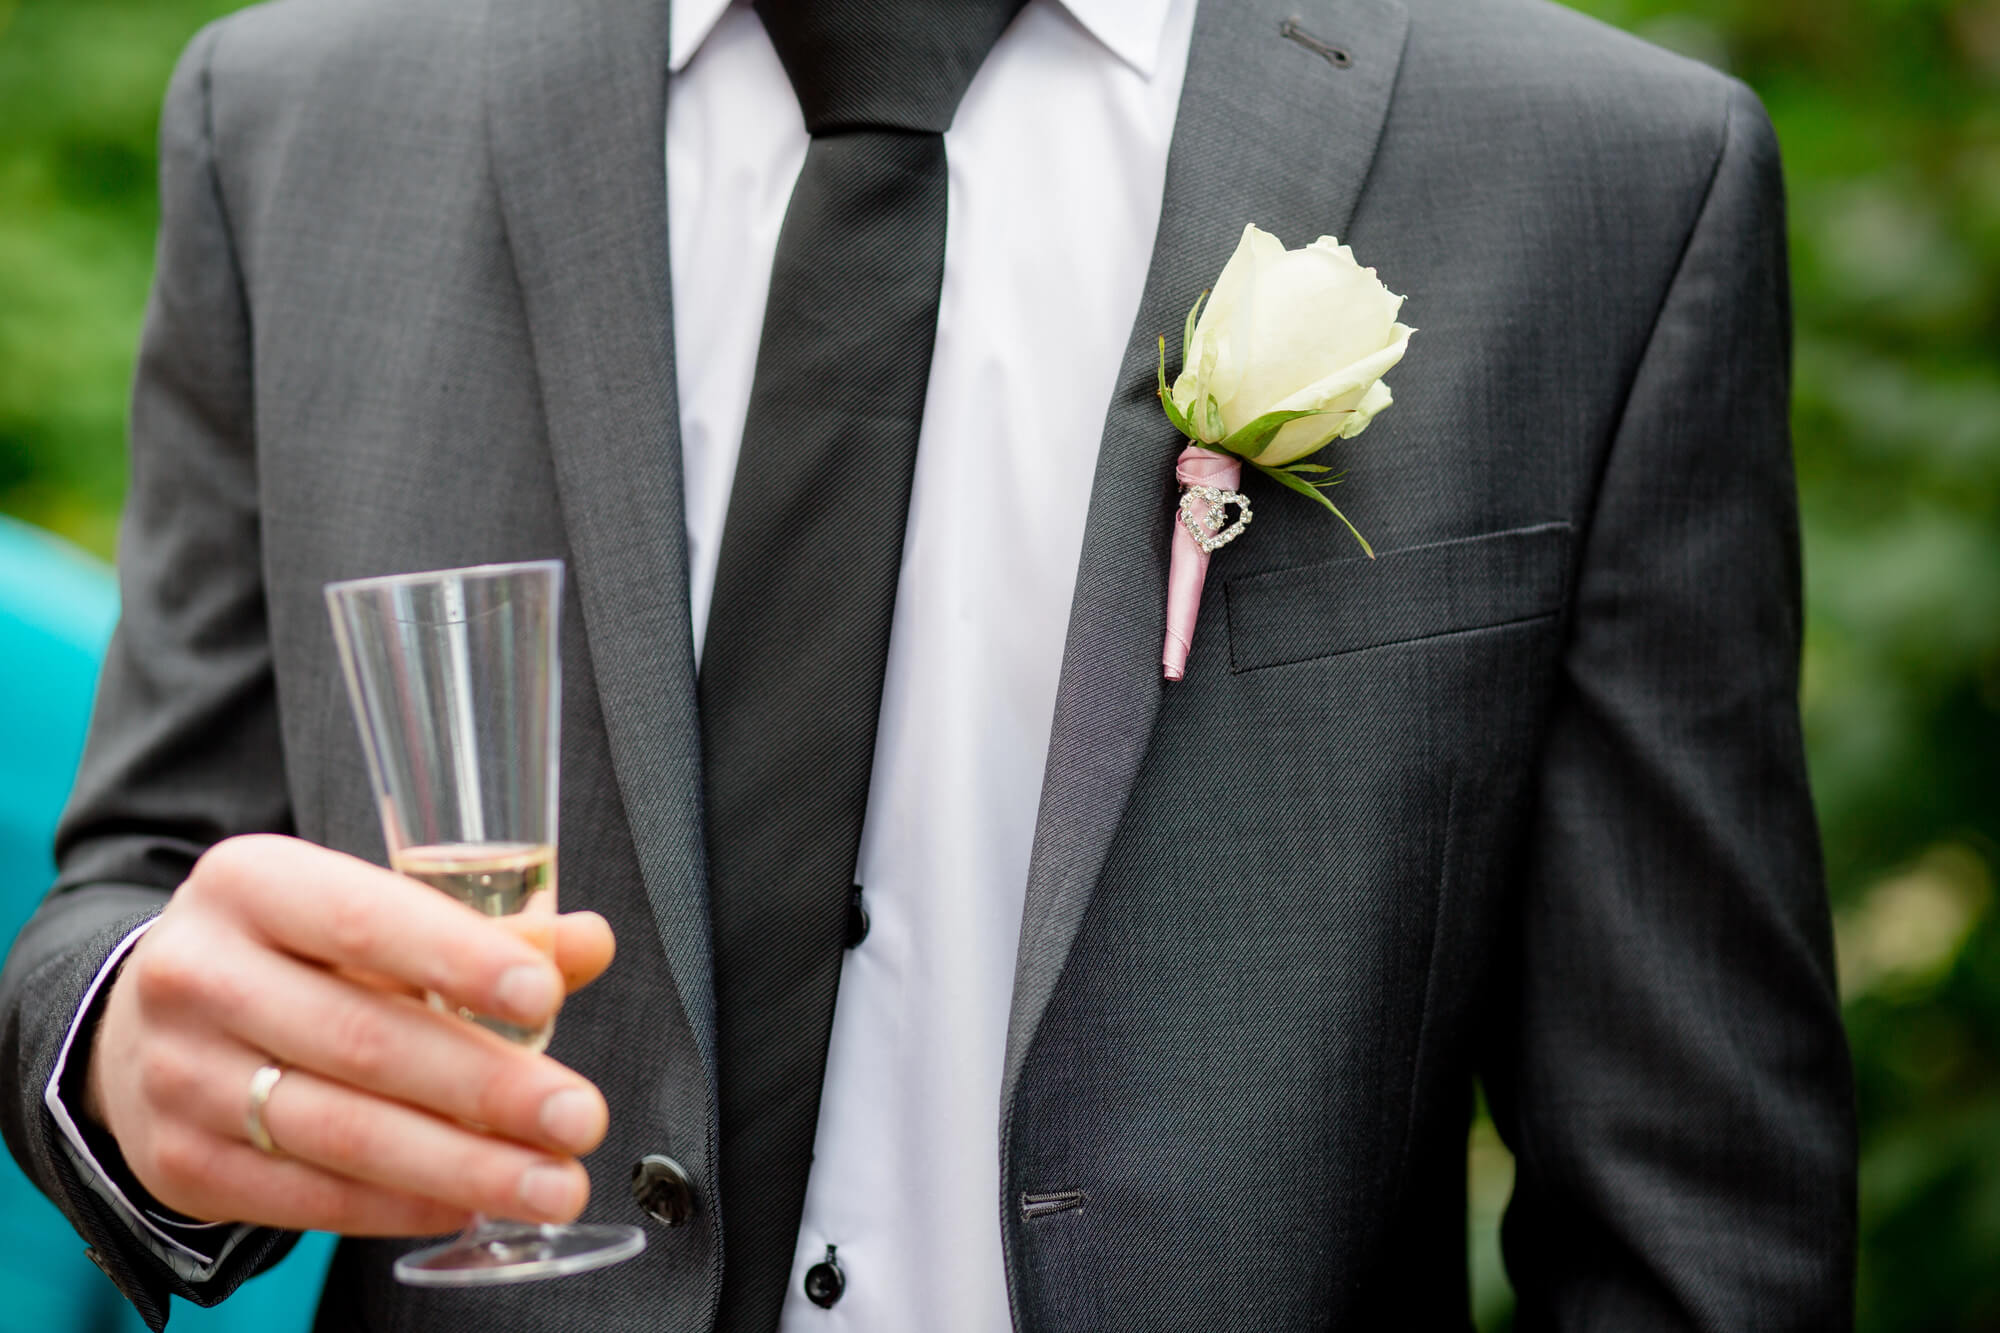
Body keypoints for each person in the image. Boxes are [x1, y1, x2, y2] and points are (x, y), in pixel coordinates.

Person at [0, 0, 1857, 1329]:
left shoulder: (1598, 177)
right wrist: (134, 1058)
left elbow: (1699, 1222)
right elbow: (138, 889)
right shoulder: (297, 114)